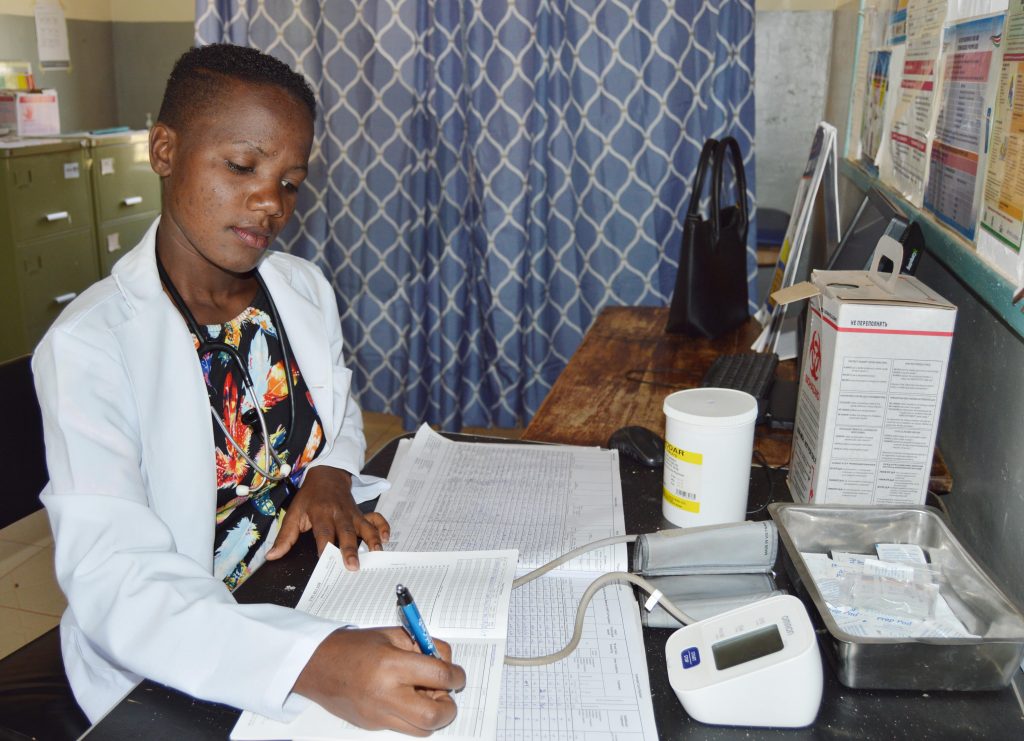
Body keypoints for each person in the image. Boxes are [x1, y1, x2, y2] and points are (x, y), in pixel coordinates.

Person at [32, 43, 466, 735]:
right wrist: (312, 662)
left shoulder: (299, 288)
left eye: (291, 182)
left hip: (303, 592)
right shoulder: (91, 346)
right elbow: (118, 584)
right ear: (166, 150)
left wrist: (329, 471)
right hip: (177, 650)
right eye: (242, 167)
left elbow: (340, 409)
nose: (271, 203)